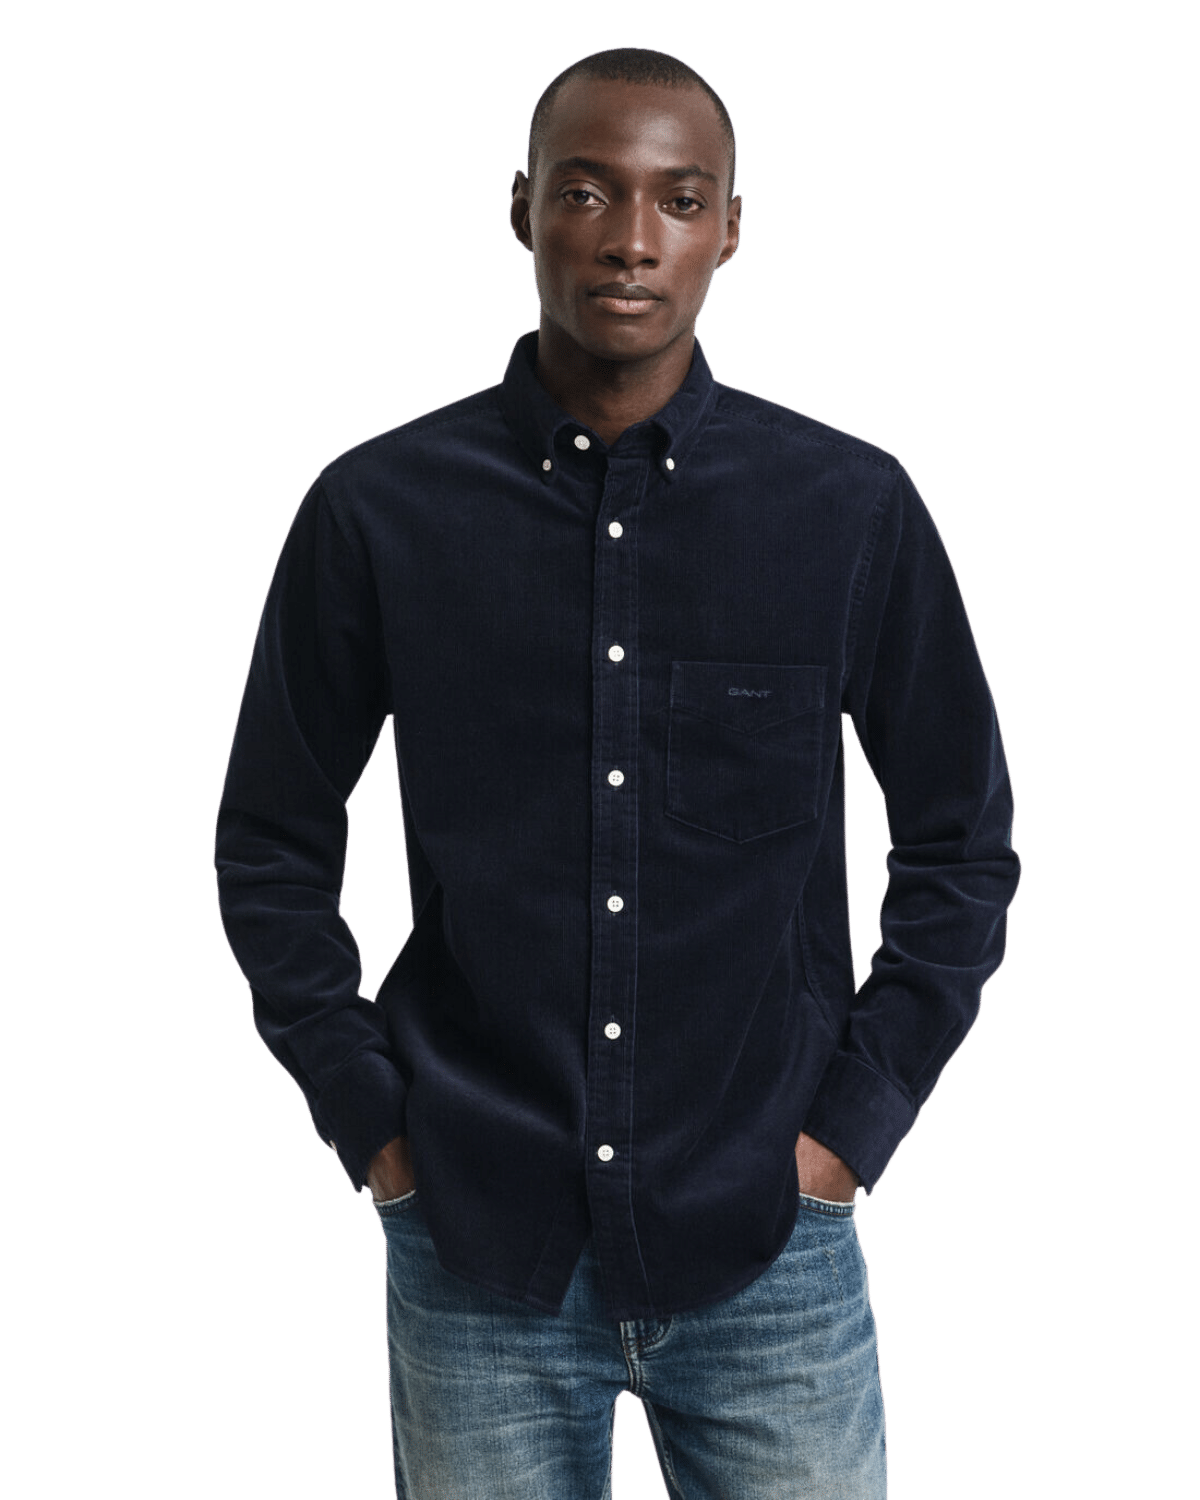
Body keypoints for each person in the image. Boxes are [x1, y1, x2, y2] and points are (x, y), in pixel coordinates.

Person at [214, 45, 1021, 1500]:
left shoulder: (851, 509)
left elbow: (962, 842)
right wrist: (367, 1117)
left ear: (729, 231)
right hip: (477, 1245)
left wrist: (854, 1127)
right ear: (523, 210)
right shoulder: (375, 511)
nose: (631, 239)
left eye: (679, 198)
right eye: (586, 192)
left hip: (769, 1247)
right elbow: (270, 841)